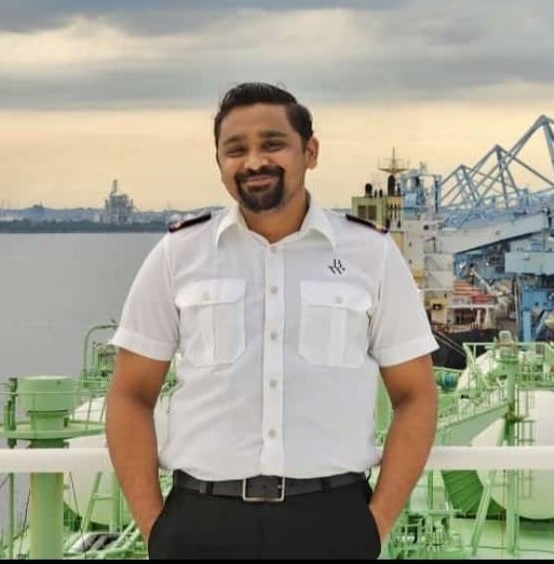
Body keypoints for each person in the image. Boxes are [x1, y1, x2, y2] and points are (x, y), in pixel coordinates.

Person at [104, 82, 439, 559]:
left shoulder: (371, 254)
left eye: (273, 144)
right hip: (200, 520)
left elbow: (416, 395)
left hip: (332, 519)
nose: (254, 161)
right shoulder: (179, 254)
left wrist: (375, 523)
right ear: (219, 162)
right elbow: (130, 394)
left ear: (310, 152)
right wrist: (154, 527)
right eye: (235, 150)